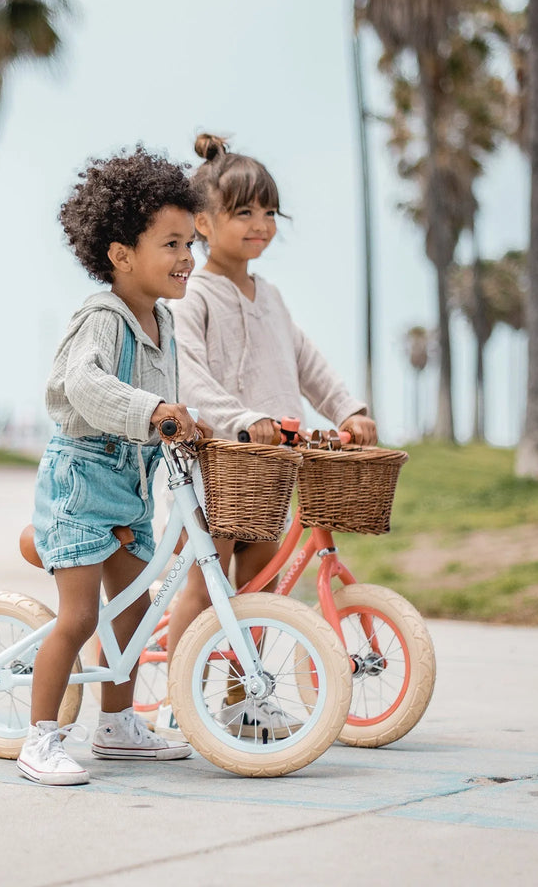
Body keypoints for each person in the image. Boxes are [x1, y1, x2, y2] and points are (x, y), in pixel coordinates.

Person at [158, 133, 377, 740]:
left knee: (256, 587)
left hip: (269, 466)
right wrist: (237, 419)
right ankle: (182, 699)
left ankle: (239, 701)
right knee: (206, 584)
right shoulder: (193, 295)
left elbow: (309, 365)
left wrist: (349, 408)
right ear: (203, 222)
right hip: (213, 460)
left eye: (268, 212)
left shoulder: (272, 298)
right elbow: (188, 374)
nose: (260, 224)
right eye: (243, 212)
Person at [18, 146, 204, 786]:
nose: (187, 257)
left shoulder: (165, 323)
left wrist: (185, 426)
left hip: (130, 483)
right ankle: (40, 738)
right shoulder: (103, 318)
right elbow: (84, 386)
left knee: (134, 608)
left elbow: (172, 399)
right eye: (172, 244)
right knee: (79, 616)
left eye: (190, 243)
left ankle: (117, 725)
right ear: (122, 255)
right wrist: (156, 412)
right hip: (80, 478)